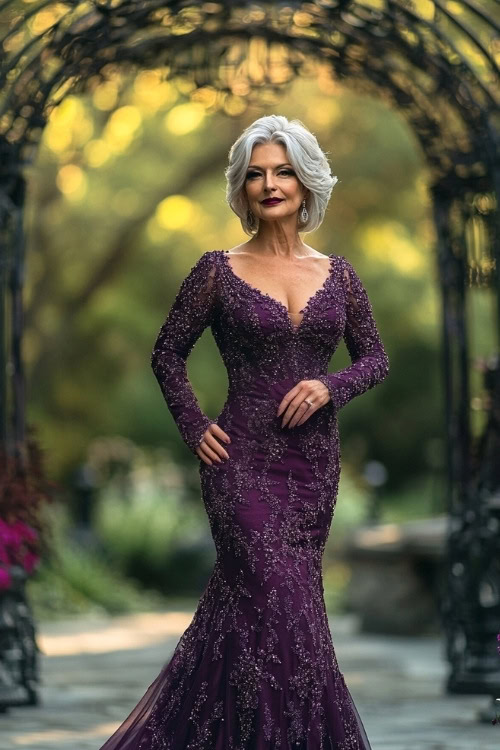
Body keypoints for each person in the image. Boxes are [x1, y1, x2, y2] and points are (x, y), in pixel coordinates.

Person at [98, 114, 389, 749]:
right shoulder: (215, 269)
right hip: (240, 463)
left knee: (279, 616)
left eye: (283, 171)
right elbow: (166, 353)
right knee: (276, 603)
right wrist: (192, 424)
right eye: (255, 174)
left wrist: (329, 385)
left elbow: (375, 358)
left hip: (311, 468)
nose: (270, 184)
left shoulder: (338, 275)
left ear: (306, 183)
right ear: (242, 189)